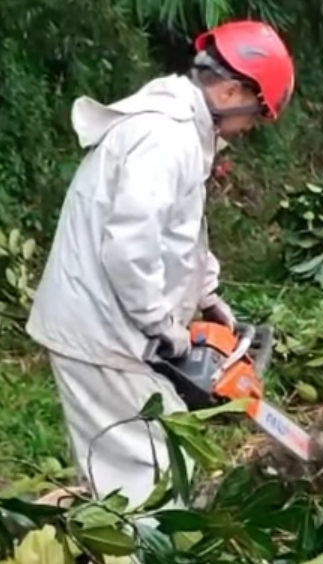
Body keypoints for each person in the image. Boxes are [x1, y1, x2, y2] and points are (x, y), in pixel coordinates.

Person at [25, 20, 295, 510]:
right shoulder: (165, 136)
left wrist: (207, 296)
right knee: (147, 470)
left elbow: (180, 229)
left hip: (111, 323)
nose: (251, 126)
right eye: (255, 114)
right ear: (232, 90)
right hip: (101, 331)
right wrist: (163, 327)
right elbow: (130, 247)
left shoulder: (181, 128)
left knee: (154, 452)